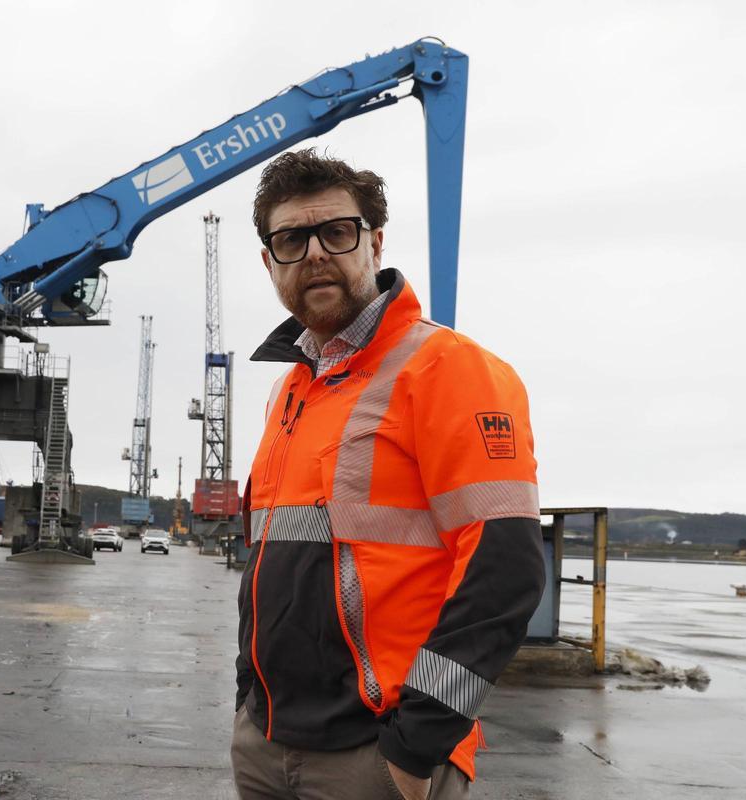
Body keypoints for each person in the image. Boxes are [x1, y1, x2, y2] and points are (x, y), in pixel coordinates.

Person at [232, 149, 545, 800]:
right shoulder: (292, 389)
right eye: (291, 239)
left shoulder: (447, 369)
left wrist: (416, 745)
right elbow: (268, 562)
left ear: (374, 242)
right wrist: (247, 701)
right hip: (267, 745)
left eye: (336, 232)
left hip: (375, 754)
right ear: (269, 262)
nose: (315, 252)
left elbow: (505, 572)